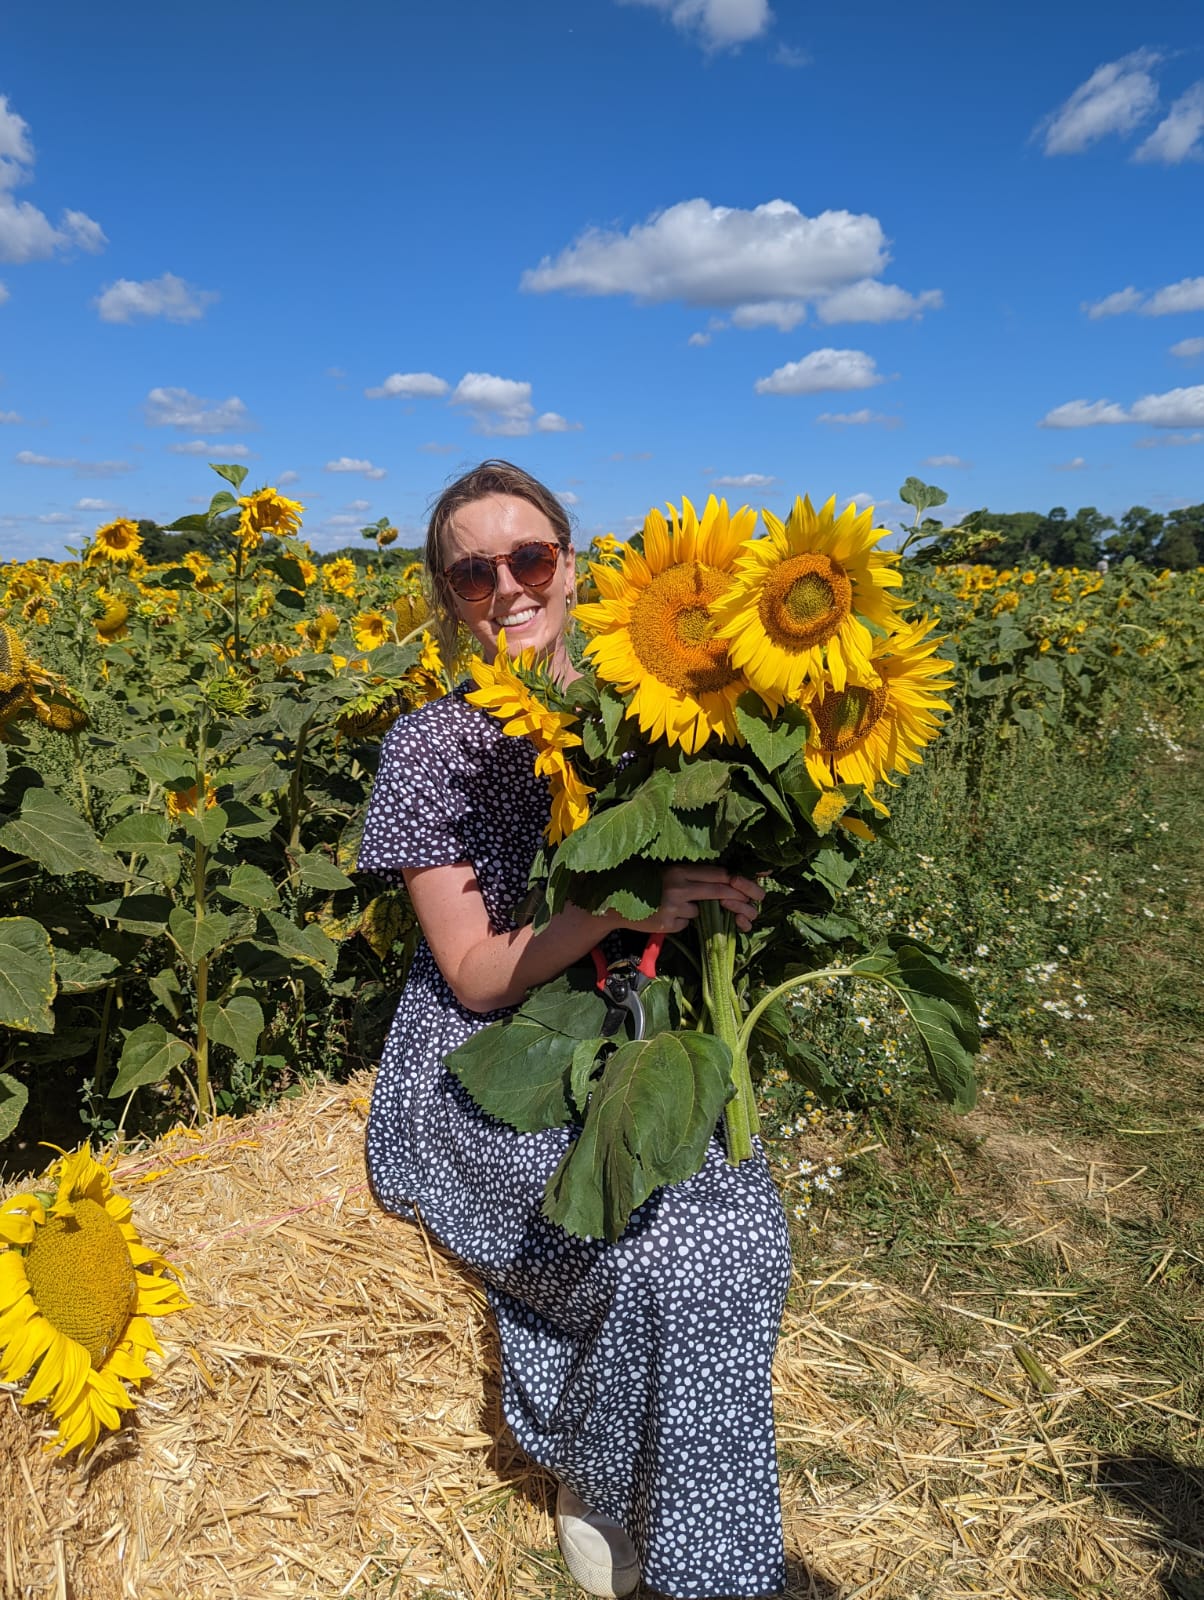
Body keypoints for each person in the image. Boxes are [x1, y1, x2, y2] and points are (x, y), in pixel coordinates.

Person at [359, 460, 793, 1599]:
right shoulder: (430, 747)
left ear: (572, 562)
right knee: (651, 1248)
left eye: (529, 558)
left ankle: (675, 1526)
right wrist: (612, 900)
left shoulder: (660, 705)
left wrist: (725, 890)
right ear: (446, 597)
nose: (505, 585)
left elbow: (716, 845)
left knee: (740, 1234)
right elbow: (475, 973)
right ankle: (607, 1483)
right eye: (471, 570)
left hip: (635, 1027)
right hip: (487, 1053)